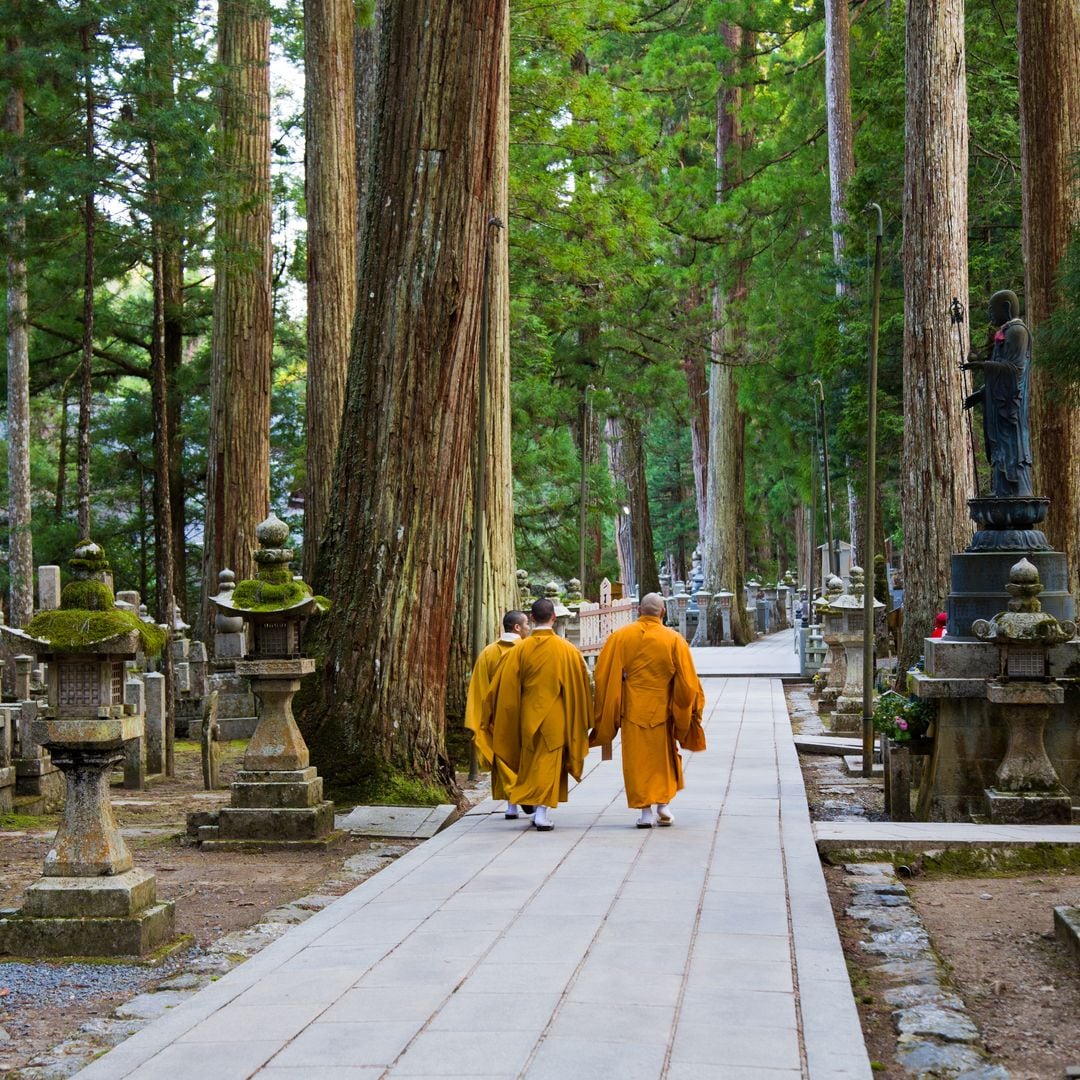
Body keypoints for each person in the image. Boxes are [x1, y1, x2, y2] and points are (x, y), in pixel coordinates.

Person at [590, 592, 705, 828]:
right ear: (663, 612)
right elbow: (688, 683)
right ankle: (663, 805)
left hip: (632, 710)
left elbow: (602, 675)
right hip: (663, 710)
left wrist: (619, 687)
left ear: (638, 611)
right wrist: (685, 710)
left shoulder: (620, 637)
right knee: (664, 758)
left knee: (637, 761)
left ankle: (645, 813)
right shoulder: (673, 639)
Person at [482, 597, 592, 831]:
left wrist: (496, 717)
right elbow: (581, 687)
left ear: (532, 619)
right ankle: (541, 812)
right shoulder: (568, 650)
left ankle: (526, 803)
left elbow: (503, 688)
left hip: (526, 716)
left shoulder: (518, 650)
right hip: (555, 717)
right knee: (548, 764)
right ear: (554, 617)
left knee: (530, 762)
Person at [963, 289, 1033, 497]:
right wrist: (981, 393)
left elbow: (1014, 369)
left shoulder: (1017, 332)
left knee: (1012, 449)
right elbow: (1001, 369)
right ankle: (1001, 489)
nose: (989, 315)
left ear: (1006, 308)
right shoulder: (1007, 332)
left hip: (1010, 406)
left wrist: (983, 365)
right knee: (999, 449)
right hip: (998, 404)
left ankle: (1016, 489)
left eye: (992, 309)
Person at [464, 609, 529, 818]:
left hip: (496, 718)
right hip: (521, 715)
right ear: (517, 627)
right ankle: (526, 795)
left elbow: (479, 688)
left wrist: (482, 719)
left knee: (502, 759)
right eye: (526, 624)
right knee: (524, 759)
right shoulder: (527, 650)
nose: (529, 628)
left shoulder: (487, 653)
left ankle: (511, 807)